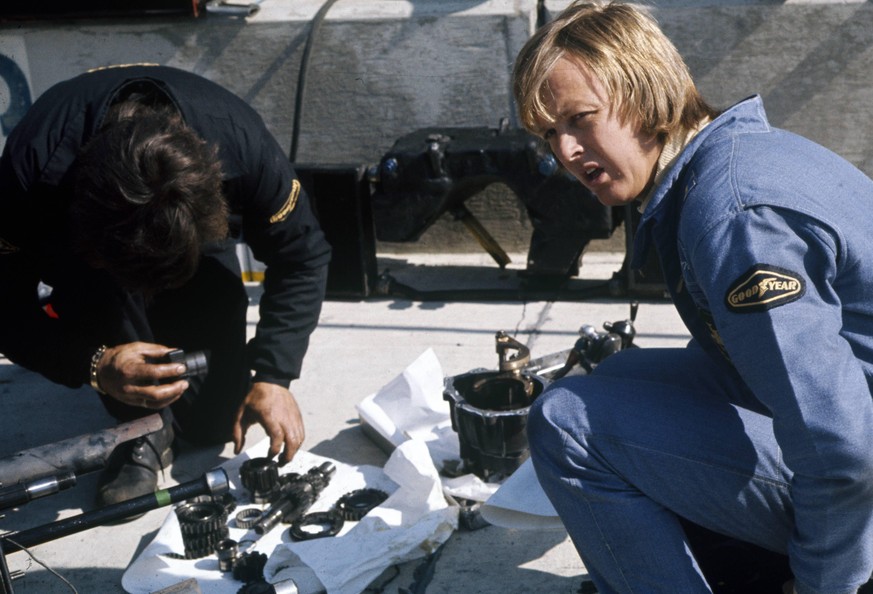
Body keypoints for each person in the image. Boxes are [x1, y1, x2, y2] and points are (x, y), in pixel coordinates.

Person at [513, 2, 873, 593]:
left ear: (646, 93)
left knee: (566, 424)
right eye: (550, 133)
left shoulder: (737, 220)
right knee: (619, 377)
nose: (566, 153)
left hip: (863, 486)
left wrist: (821, 584)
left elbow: (842, 452)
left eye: (580, 119)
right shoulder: (735, 158)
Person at [0, 64, 332, 507]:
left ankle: (184, 396)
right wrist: (93, 363)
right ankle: (142, 427)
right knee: (111, 330)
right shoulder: (29, 173)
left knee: (214, 424)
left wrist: (275, 374)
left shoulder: (242, 147)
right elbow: (3, 302)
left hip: (196, 253)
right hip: (89, 266)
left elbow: (303, 254)